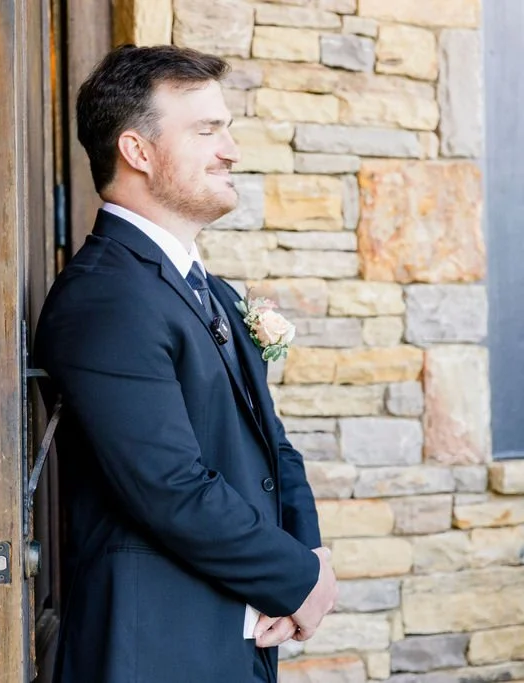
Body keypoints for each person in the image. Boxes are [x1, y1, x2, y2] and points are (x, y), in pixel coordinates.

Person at [33, 45, 338, 682]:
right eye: (207, 130)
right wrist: (297, 578)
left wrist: (311, 555)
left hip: (232, 635)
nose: (231, 150)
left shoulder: (214, 292)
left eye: (226, 128)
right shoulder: (106, 296)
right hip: (155, 648)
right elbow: (168, 485)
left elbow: (272, 445)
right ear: (137, 151)